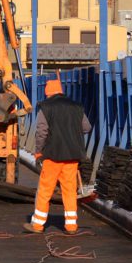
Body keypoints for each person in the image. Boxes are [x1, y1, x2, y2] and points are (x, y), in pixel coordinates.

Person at [23, 78, 92, 234]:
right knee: (69, 191)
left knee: (45, 190)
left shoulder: (46, 108)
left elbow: (41, 132)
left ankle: (38, 225)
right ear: (61, 91)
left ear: (47, 93)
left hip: (52, 157)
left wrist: (39, 151)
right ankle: (71, 226)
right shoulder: (76, 107)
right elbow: (87, 128)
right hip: (72, 157)